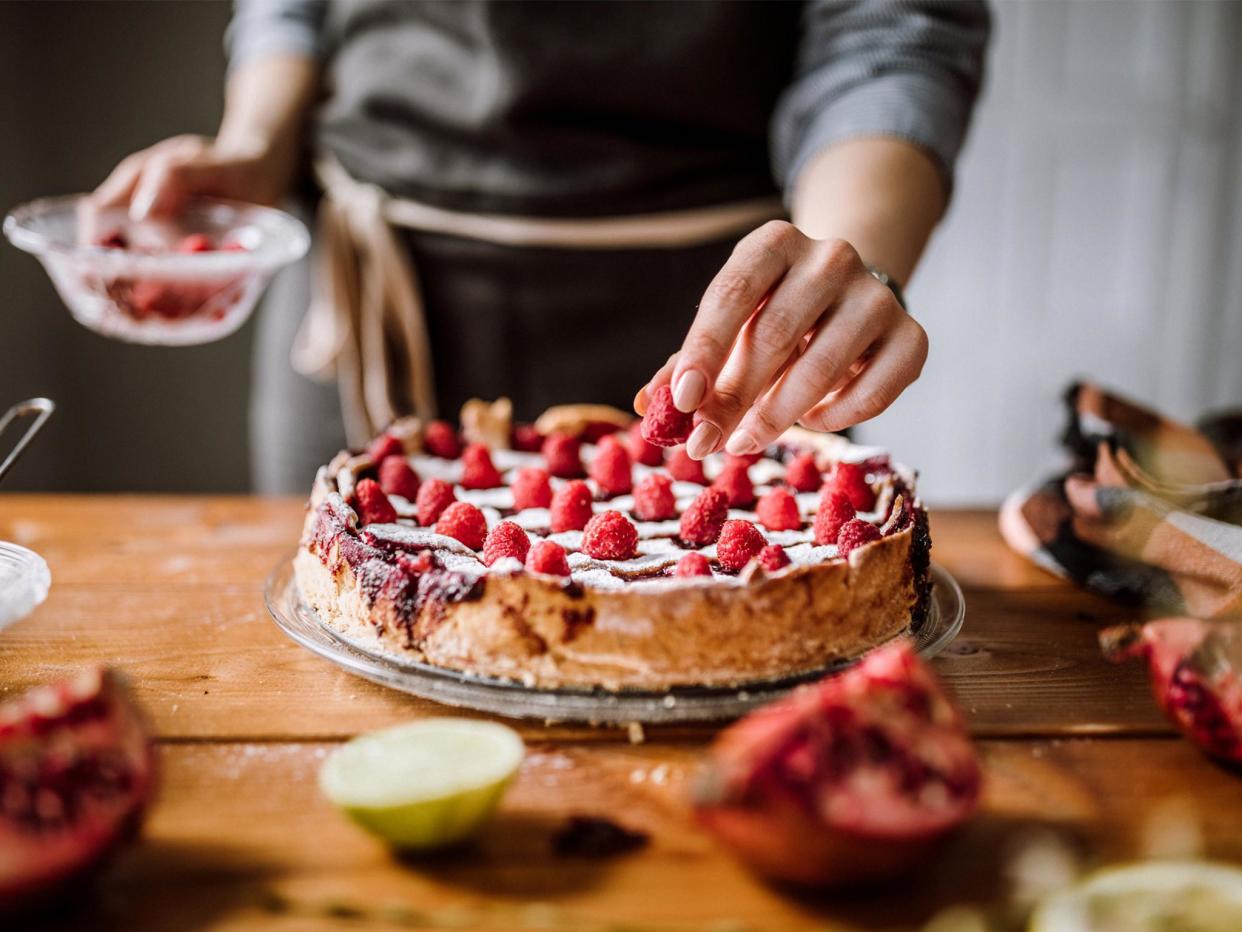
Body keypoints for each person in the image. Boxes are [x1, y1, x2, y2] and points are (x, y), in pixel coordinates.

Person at [92, 0, 989, 493]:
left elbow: (891, 29)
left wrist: (846, 253)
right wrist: (253, 144)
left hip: (722, 324)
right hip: (372, 299)